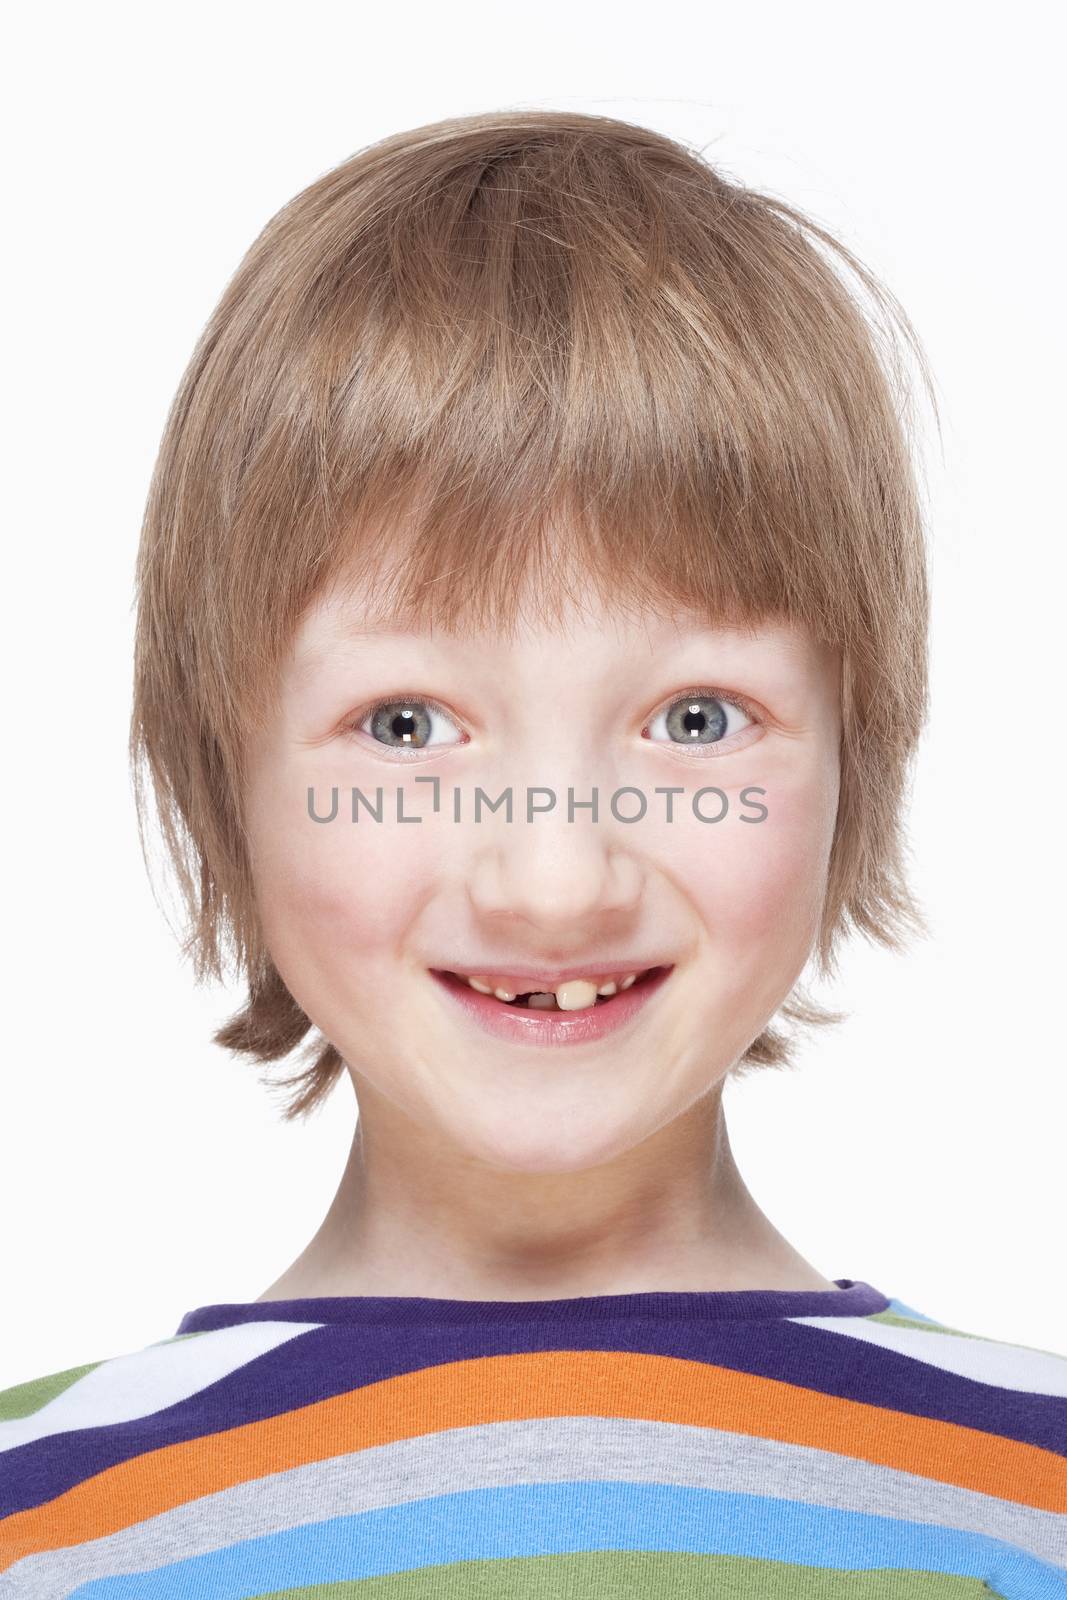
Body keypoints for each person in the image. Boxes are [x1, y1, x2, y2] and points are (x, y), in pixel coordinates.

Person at [2, 109, 1064, 1597]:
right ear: (217, 769)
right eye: (405, 725)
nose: (556, 879)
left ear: (858, 757)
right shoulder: (42, 1523)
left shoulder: (1037, 1499)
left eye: (697, 718)